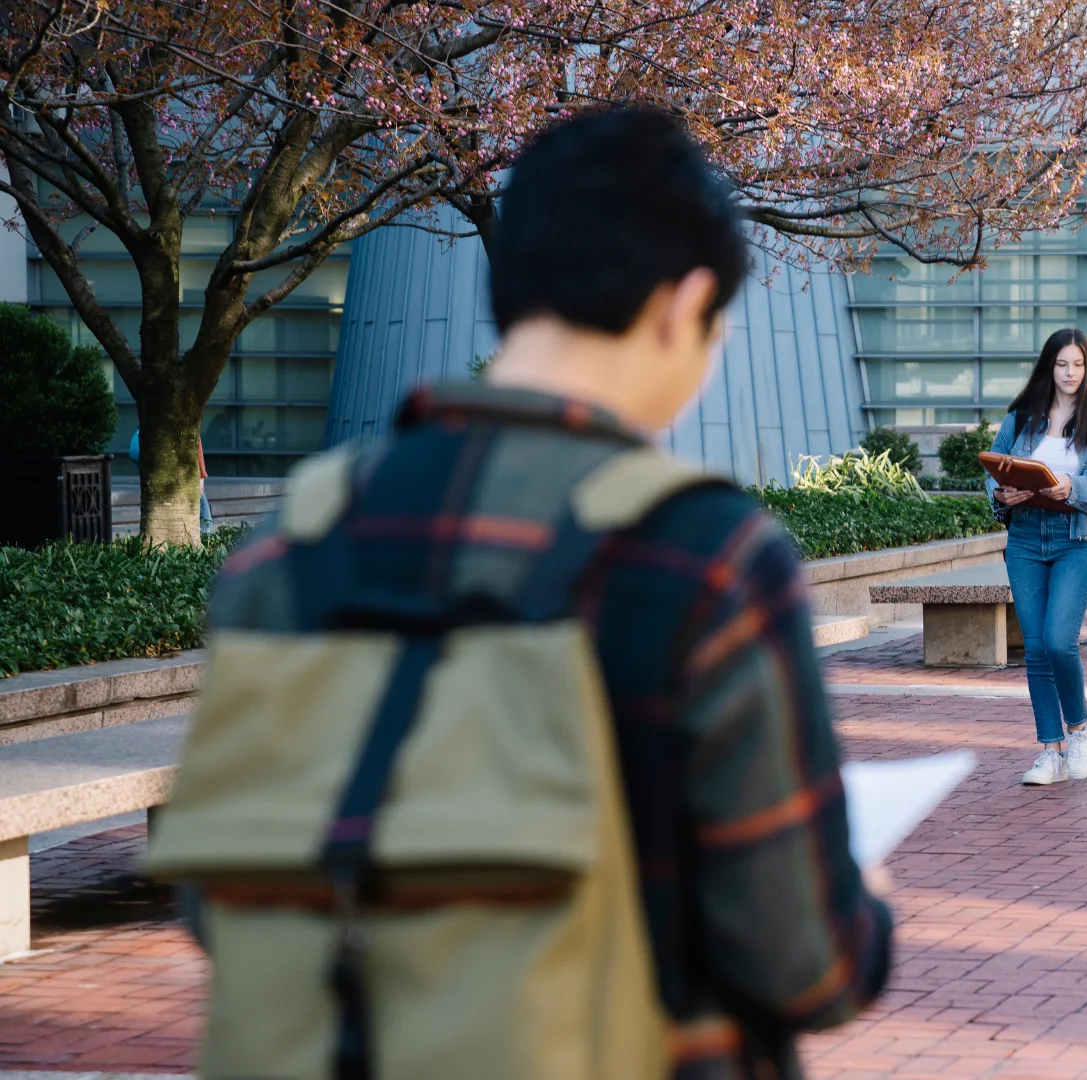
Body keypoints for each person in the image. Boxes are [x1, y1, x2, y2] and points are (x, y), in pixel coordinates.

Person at [198, 108, 891, 1078]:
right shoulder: (708, 562)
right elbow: (804, 964)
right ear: (679, 304)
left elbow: (222, 891)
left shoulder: (287, 549)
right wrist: (857, 899)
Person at [983, 327, 1087, 786]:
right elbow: (994, 469)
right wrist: (1001, 493)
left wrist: (1074, 486)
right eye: (1062, 364)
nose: (1070, 373)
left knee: (1058, 641)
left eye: (1079, 364)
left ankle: (1080, 730)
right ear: (1049, 367)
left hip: (1077, 540)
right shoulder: (1021, 418)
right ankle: (1049, 751)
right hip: (1026, 538)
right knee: (1035, 649)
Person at [127, 428, 215, 535]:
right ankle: (204, 540)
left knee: (201, 513)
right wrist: (201, 478)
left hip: (176, 476)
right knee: (205, 516)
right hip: (181, 476)